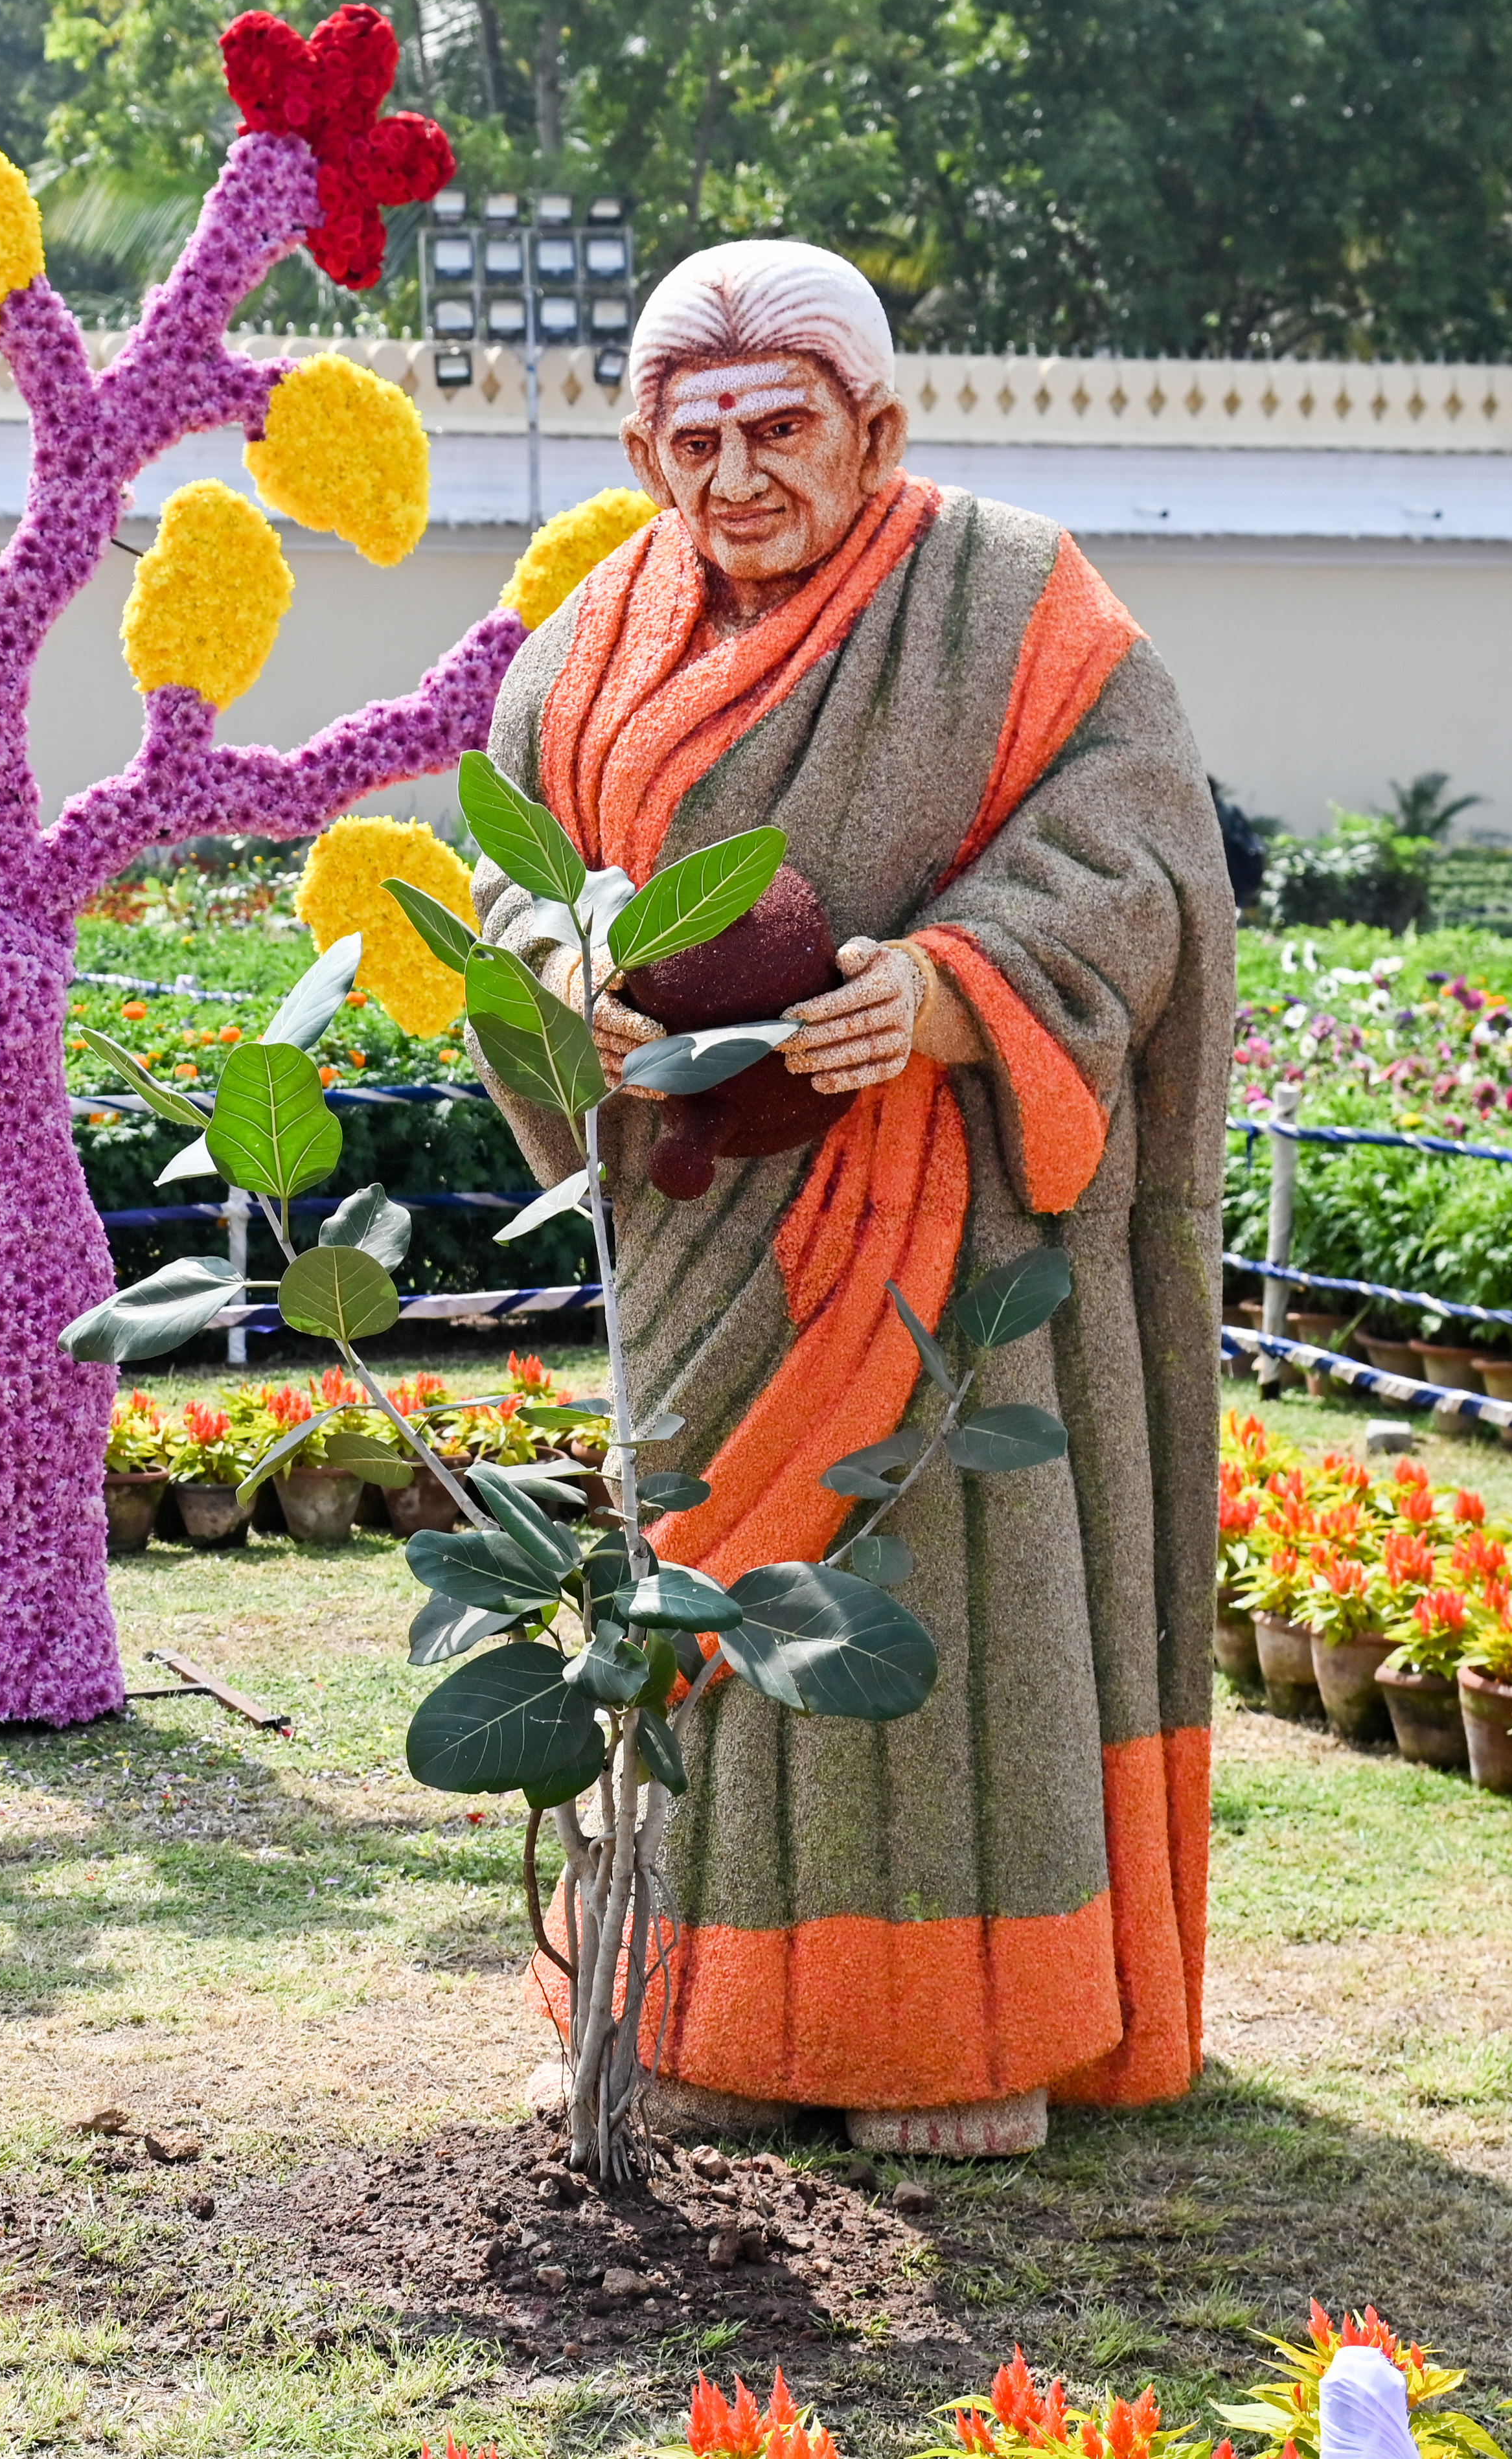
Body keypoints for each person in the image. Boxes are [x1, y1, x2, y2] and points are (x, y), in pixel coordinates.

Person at [473, 240, 1233, 2154]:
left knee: (938, 1609)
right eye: (694, 437)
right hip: (694, 1224)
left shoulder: (1012, 600)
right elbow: (500, 875)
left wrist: (954, 988)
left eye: (779, 430)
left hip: (938, 1243)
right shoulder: (580, 650)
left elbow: (1136, 848)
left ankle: (960, 2036)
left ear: (874, 428)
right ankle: (698, 2013)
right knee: (698, 1601)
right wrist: (556, 968)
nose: (735, 478)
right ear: (645, 448)